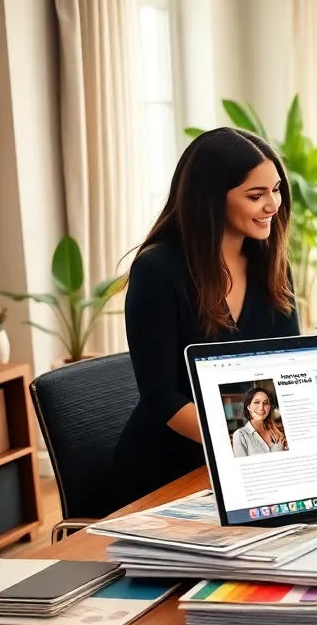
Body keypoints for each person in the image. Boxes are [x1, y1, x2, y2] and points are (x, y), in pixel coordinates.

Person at [113, 128, 300, 504]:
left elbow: (289, 366)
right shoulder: (157, 270)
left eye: (276, 190)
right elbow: (161, 396)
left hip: (252, 456)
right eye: (256, 195)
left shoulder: (271, 265)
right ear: (211, 199)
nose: (272, 205)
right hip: (169, 467)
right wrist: (244, 443)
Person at [230, 385, 287, 458]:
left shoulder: (277, 432)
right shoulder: (240, 435)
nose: (261, 408)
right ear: (248, 407)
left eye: (265, 403)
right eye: (257, 402)